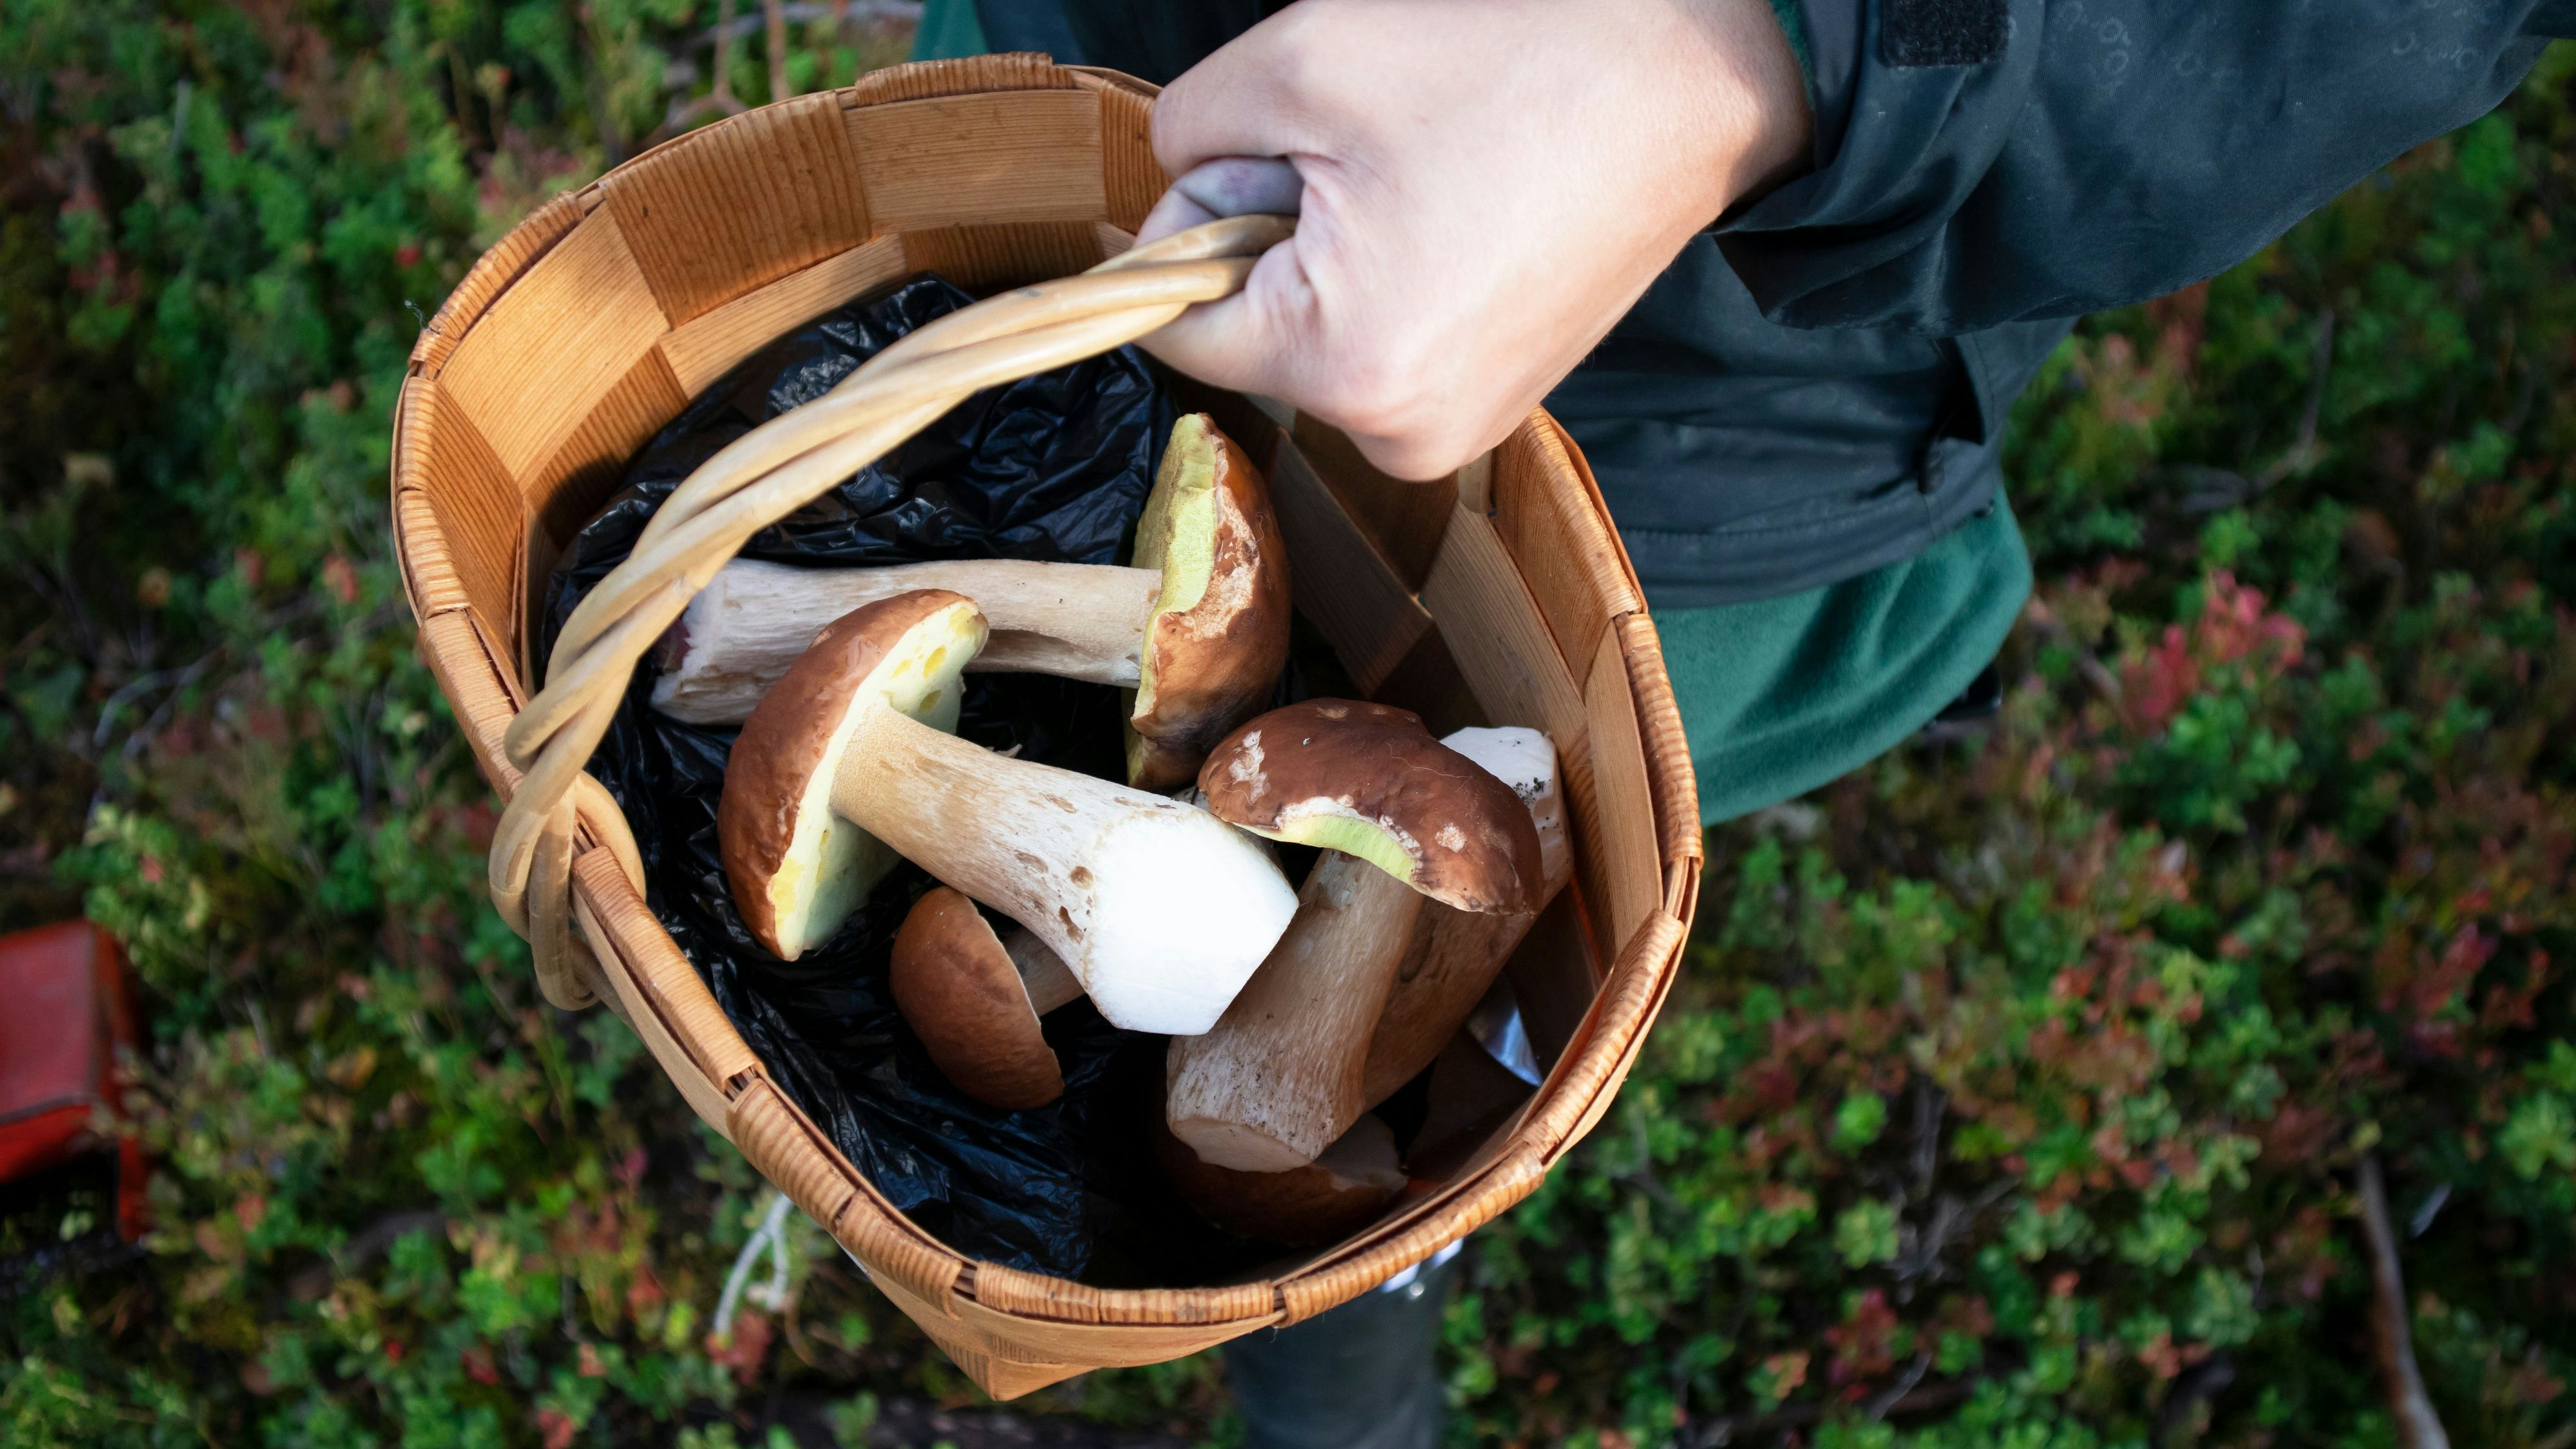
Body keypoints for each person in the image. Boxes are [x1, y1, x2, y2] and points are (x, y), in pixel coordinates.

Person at [911, 3, 2574, 1445]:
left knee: (1485, 968)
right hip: (1113, 121)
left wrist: (1761, 55)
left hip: (1697, 422)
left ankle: (1346, 1368)